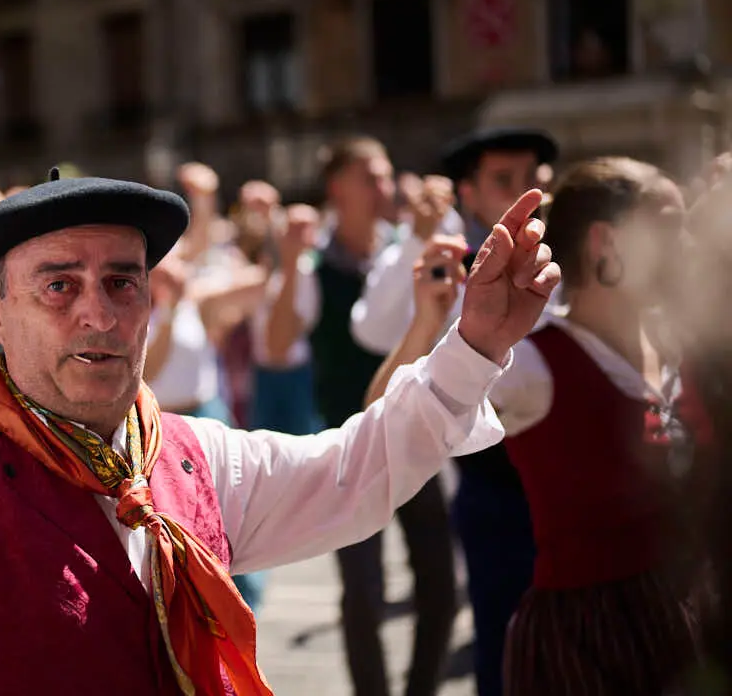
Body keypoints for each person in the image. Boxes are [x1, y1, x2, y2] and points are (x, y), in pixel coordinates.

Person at [0, 43, 559, 695]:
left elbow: (356, 471)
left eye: (121, 282)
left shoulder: (194, 462)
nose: (97, 313)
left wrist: (474, 345)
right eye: (58, 285)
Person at [351, 127, 559, 696]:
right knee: (503, 650)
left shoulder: (567, 258)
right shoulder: (447, 262)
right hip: (495, 493)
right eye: (504, 181)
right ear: (467, 193)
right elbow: (372, 331)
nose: (528, 193)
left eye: (536, 178)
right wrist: (419, 250)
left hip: (571, 489)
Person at [492, 158, 701, 695]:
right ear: (605, 242)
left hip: (688, 617)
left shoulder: (678, 345)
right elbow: (395, 421)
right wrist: (431, 322)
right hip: (589, 643)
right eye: (668, 227)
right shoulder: (535, 366)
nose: (688, 246)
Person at [260, 136, 456, 696]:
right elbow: (276, 346)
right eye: (370, 177)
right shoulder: (316, 266)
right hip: (350, 448)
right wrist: (292, 263)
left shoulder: (410, 250)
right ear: (336, 188)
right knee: (365, 591)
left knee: (440, 585)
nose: (385, 188)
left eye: (386, 175)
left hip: (417, 435)